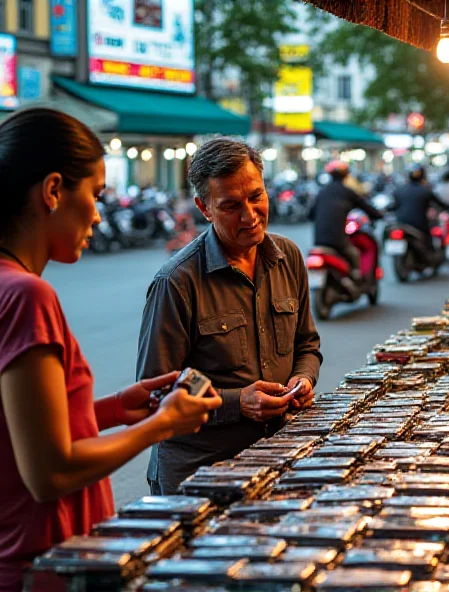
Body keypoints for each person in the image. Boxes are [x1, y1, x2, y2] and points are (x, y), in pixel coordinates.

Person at [0, 108, 220, 591]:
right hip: (37, 567)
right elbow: (50, 472)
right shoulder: (23, 296)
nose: (100, 214)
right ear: (53, 191)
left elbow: (4, 430)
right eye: (96, 195)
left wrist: (109, 411)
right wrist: (161, 425)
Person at [138, 138, 323, 496]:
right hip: (199, 477)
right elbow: (156, 395)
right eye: (231, 206)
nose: (250, 216)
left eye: (256, 197)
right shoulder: (176, 283)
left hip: (277, 460)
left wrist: (303, 378)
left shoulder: (289, 257)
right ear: (204, 208)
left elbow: (307, 344)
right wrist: (239, 403)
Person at [311, 160, 383, 279]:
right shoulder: (347, 192)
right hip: (338, 241)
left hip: (319, 241)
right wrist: (378, 215)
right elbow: (366, 208)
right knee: (355, 254)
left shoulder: (322, 192)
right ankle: (357, 278)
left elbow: (311, 214)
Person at [393, 165, 449, 252]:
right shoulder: (426, 191)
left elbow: (394, 207)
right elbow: (441, 204)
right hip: (419, 225)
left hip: (401, 223)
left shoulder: (399, 190)